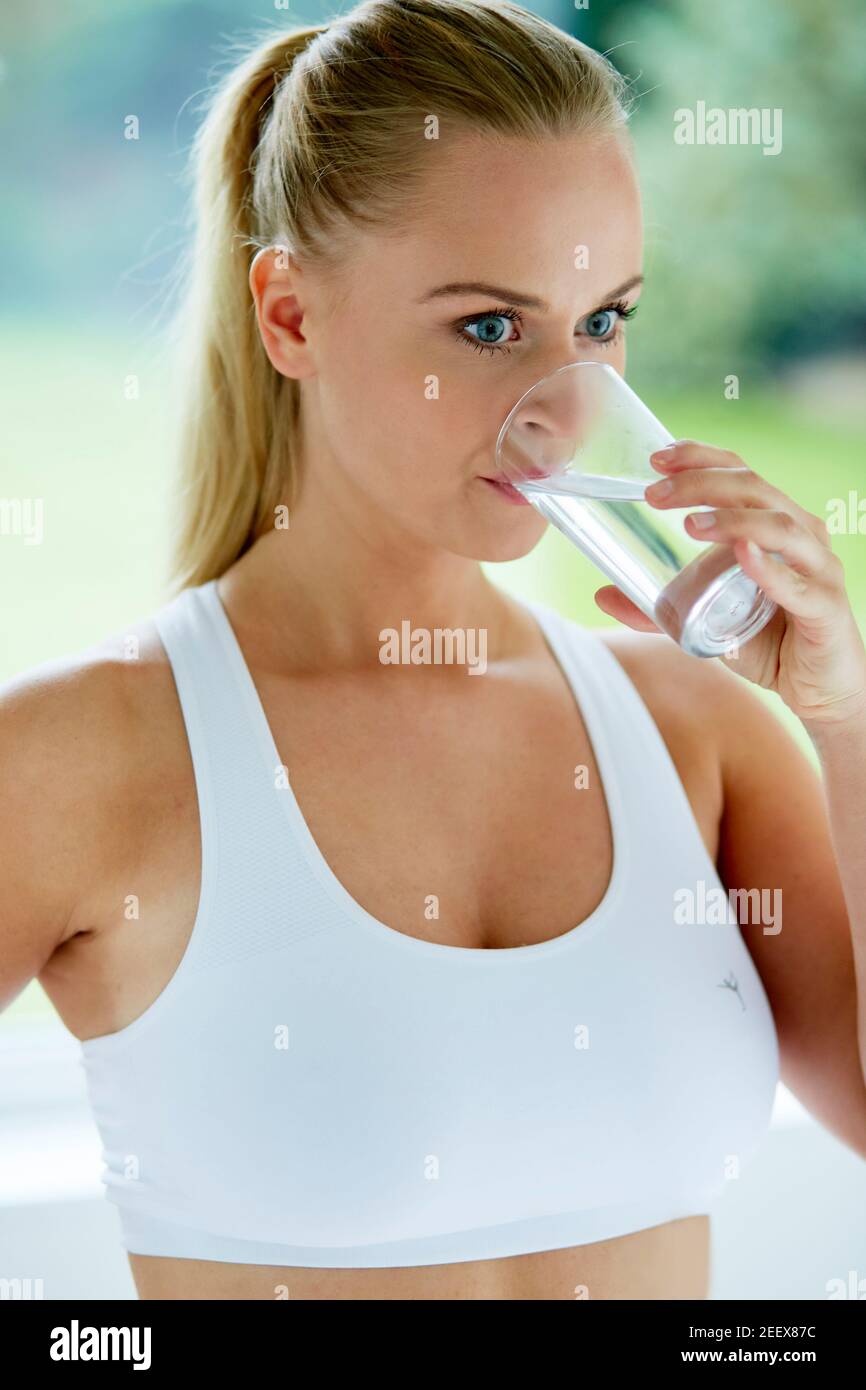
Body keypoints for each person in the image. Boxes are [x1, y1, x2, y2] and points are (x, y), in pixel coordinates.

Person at [3, 0, 866, 1303]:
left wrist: (842, 714)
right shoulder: (82, 756)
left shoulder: (699, 733)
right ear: (289, 315)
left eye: (601, 319)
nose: (568, 409)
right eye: (486, 328)